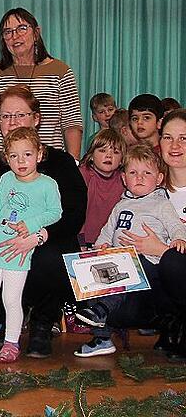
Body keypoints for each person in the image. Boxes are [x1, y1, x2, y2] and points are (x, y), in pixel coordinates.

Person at [0, 85, 86, 359]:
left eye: (19, 115)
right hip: (0, 248)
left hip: (47, 246)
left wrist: (37, 235)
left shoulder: (60, 163)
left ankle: (41, 323)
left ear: (36, 119)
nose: (12, 122)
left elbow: (72, 216)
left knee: (48, 259)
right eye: (5, 116)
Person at [74, 145, 186, 357]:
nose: (140, 178)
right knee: (92, 274)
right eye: (133, 173)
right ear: (124, 178)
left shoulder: (160, 204)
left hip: (147, 263)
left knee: (129, 271)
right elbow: (107, 231)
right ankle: (102, 337)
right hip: (119, 260)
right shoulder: (120, 205)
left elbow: (176, 226)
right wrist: (101, 247)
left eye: (147, 173)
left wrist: (180, 238)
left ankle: (102, 310)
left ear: (159, 178)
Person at [0, 127, 62, 363]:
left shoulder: (47, 184)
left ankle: (11, 343)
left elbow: (55, 212)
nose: (21, 161)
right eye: (14, 156)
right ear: (6, 158)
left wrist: (31, 224)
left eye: (27, 155)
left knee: (11, 299)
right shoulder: (5, 179)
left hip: (17, 252)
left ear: (39, 155)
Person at [105, 109, 186, 361]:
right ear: (158, 141)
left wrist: (160, 249)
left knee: (172, 261)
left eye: (184, 138)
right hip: (148, 277)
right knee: (114, 308)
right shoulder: (145, 190)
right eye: (168, 137)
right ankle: (169, 323)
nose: (175, 145)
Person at [0, 8, 83, 159]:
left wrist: (73, 163)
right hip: (1, 159)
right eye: (8, 32)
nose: (15, 36)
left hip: (48, 160)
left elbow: (72, 124)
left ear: (36, 33)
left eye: (22, 28)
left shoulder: (61, 71)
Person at [78, 129, 126, 249]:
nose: (109, 155)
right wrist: (80, 241)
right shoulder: (82, 175)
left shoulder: (124, 178)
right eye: (102, 150)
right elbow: (75, 212)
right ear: (91, 156)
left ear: (121, 160)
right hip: (83, 240)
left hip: (113, 242)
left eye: (115, 152)